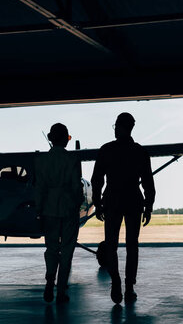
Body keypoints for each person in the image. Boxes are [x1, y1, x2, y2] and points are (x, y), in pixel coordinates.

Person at [91, 113, 155, 304]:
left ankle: (116, 282)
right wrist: (149, 205)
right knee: (132, 245)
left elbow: (97, 180)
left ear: (118, 127)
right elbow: (148, 182)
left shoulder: (106, 150)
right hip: (134, 201)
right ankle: (129, 287)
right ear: (132, 127)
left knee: (111, 245)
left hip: (112, 201)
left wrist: (97, 201)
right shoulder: (140, 152)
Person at [34, 123, 83, 304]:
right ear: (64, 139)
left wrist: (39, 209)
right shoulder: (72, 160)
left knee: (52, 249)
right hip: (69, 209)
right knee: (67, 250)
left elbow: (39, 188)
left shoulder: (41, 161)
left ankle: (49, 283)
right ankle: (61, 290)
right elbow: (77, 187)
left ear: (50, 138)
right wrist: (77, 204)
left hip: (49, 210)